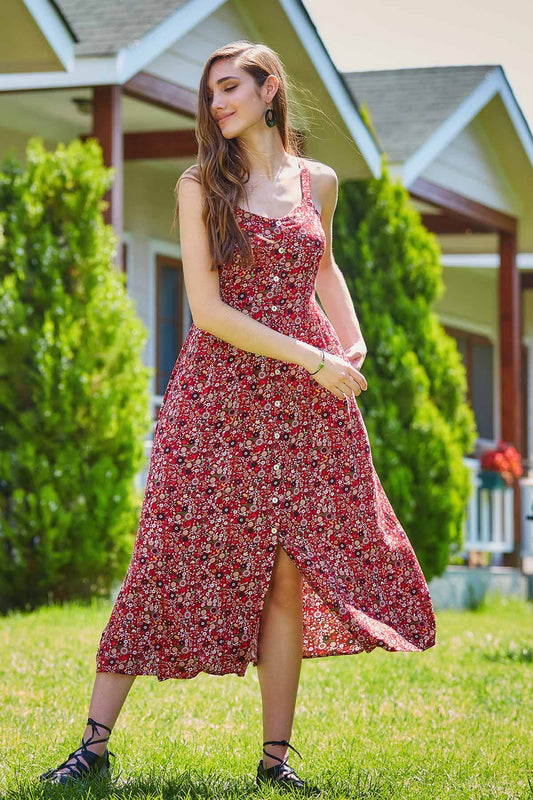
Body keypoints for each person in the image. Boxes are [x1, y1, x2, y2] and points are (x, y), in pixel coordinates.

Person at [40, 40, 437, 793]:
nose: (217, 103)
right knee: (165, 552)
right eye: (210, 92)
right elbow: (208, 311)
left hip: (304, 401)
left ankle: (274, 760)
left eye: (230, 88)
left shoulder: (316, 181)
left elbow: (323, 267)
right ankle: (92, 746)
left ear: (268, 89)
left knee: (287, 573)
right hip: (220, 393)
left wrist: (349, 340)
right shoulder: (200, 185)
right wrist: (313, 358)